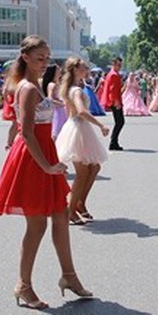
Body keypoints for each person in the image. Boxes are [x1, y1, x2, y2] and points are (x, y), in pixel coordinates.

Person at [0, 36, 91, 309]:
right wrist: (46, 165)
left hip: (44, 154)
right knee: (37, 225)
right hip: (33, 159)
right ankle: (23, 284)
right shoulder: (26, 88)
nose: (45, 62)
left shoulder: (33, 85)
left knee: (60, 215)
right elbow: (25, 131)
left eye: (47, 58)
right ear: (25, 57)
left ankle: (69, 276)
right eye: (39, 58)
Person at [55, 56, 110, 225]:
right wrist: (100, 124)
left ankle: (79, 203)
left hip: (79, 128)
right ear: (75, 70)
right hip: (78, 128)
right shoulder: (76, 90)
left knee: (94, 167)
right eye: (84, 68)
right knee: (83, 172)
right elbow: (81, 111)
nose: (87, 70)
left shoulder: (75, 87)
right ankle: (71, 210)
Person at [99, 57, 125, 150]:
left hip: (114, 100)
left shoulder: (112, 74)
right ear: (114, 64)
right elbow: (112, 90)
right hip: (115, 101)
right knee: (120, 122)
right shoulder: (114, 75)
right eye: (118, 65)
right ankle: (113, 142)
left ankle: (114, 141)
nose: (120, 67)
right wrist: (116, 102)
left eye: (121, 65)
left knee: (119, 122)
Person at [43, 64, 67, 139]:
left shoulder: (56, 83)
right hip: (57, 110)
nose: (60, 71)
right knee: (56, 131)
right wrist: (62, 103)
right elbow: (50, 99)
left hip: (60, 109)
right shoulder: (52, 85)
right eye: (58, 70)